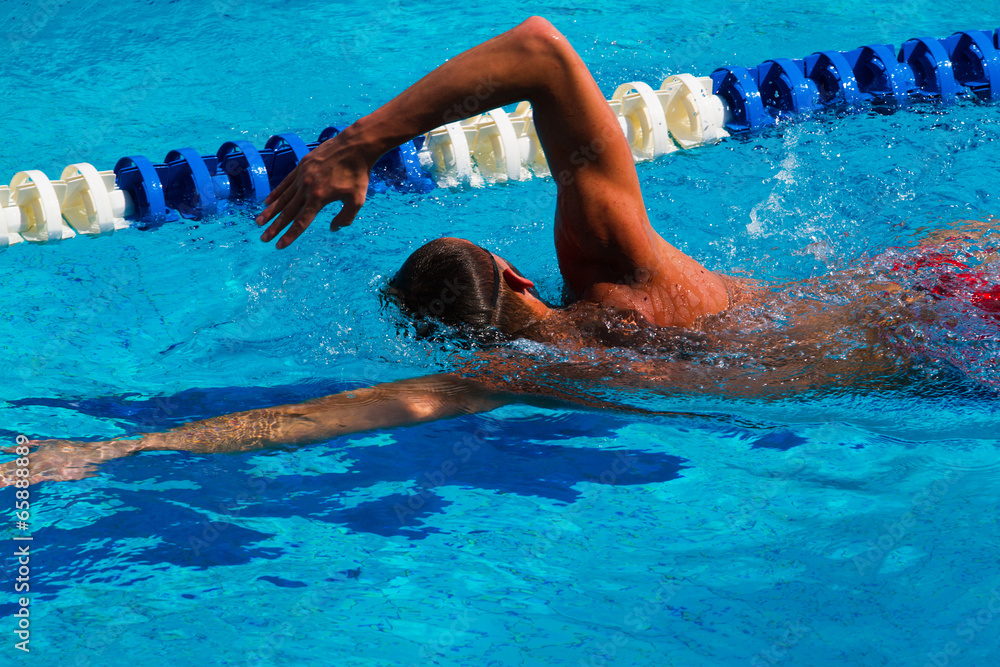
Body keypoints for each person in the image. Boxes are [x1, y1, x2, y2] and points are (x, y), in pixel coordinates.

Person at [1, 18, 993, 487]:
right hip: (936, 278)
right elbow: (542, 51)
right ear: (516, 274)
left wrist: (116, 448)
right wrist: (359, 144)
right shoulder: (617, 262)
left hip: (947, 353)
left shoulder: (521, 382)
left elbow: (317, 417)